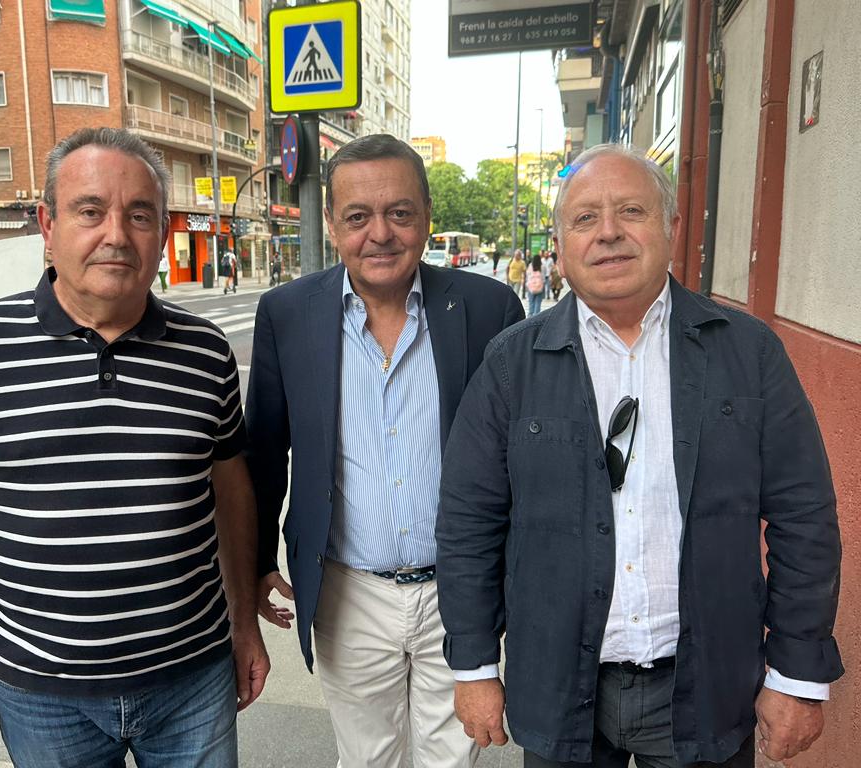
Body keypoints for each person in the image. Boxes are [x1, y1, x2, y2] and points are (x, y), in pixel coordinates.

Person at [436, 143, 843, 768]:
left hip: (705, 688)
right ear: (560, 241)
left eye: (631, 210)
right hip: (558, 686)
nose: (609, 233)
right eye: (584, 218)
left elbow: (805, 518)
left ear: (671, 227)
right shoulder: (510, 365)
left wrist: (795, 673)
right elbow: (468, 523)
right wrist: (474, 664)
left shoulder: (749, 354)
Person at [0, 127, 269, 768]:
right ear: (47, 224)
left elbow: (231, 494)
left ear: (160, 232)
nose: (117, 235)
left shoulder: (207, 353)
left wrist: (245, 625)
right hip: (39, 692)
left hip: (193, 678)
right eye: (90, 211)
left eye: (140, 215)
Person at [245, 134, 524, 768]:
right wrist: (258, 559)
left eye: (400, 213)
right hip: (349, 591)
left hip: (462, 589)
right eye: (358, 216)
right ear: (334, 226)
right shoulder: (287, 314)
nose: (381, 234)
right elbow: (264, 449)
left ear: (426, 217)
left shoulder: (488, 309)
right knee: (366, 759)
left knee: (450, 761)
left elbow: (520, 458)